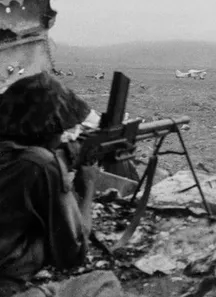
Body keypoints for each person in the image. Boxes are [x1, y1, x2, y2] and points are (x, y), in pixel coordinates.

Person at [0, 72, 125, 297]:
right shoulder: (39, 164)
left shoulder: (15, 154)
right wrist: (87, 188)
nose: (61, 137)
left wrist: (61, 160)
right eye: (59, 130)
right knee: (105, 282)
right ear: (47, 130)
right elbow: (73, 254)